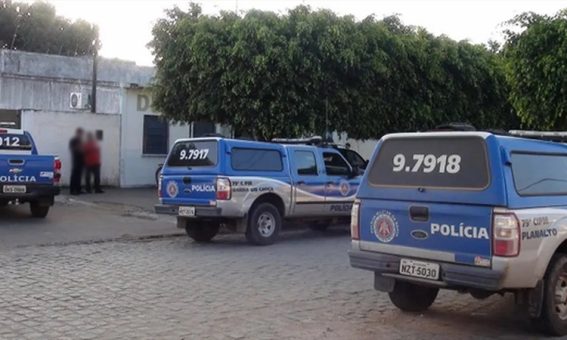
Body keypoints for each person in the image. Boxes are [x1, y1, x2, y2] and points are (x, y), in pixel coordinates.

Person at [69, 128, 84, 195]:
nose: (81, 135)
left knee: (79, 175)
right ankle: (72, 190)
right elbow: (73, 149)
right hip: (76, 160)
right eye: (80, 133)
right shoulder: (74, 140)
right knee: (74, 175)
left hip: (81, 160)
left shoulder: (80, 140)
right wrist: (79, 149)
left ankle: (78, 189)